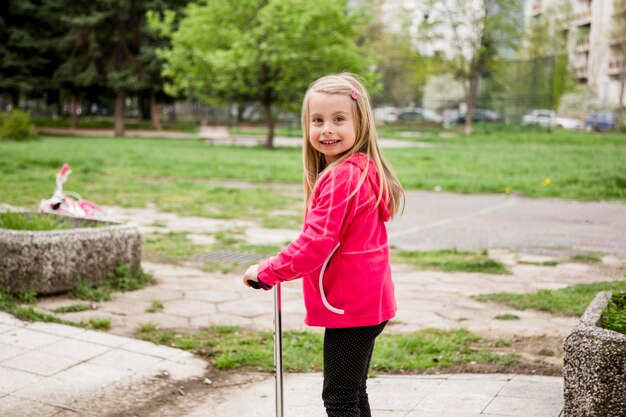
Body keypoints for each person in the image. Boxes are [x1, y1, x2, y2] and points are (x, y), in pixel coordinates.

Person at [242, 72, 404, 417]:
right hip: (367, 301)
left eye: (339, 119)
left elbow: (316, 242)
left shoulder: (343, 177)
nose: (326, 129)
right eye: (317, 120)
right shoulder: (362, 168)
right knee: (352, 392)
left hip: (352, 308)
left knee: (339, 398)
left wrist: (268, 271)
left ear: (360, 123)